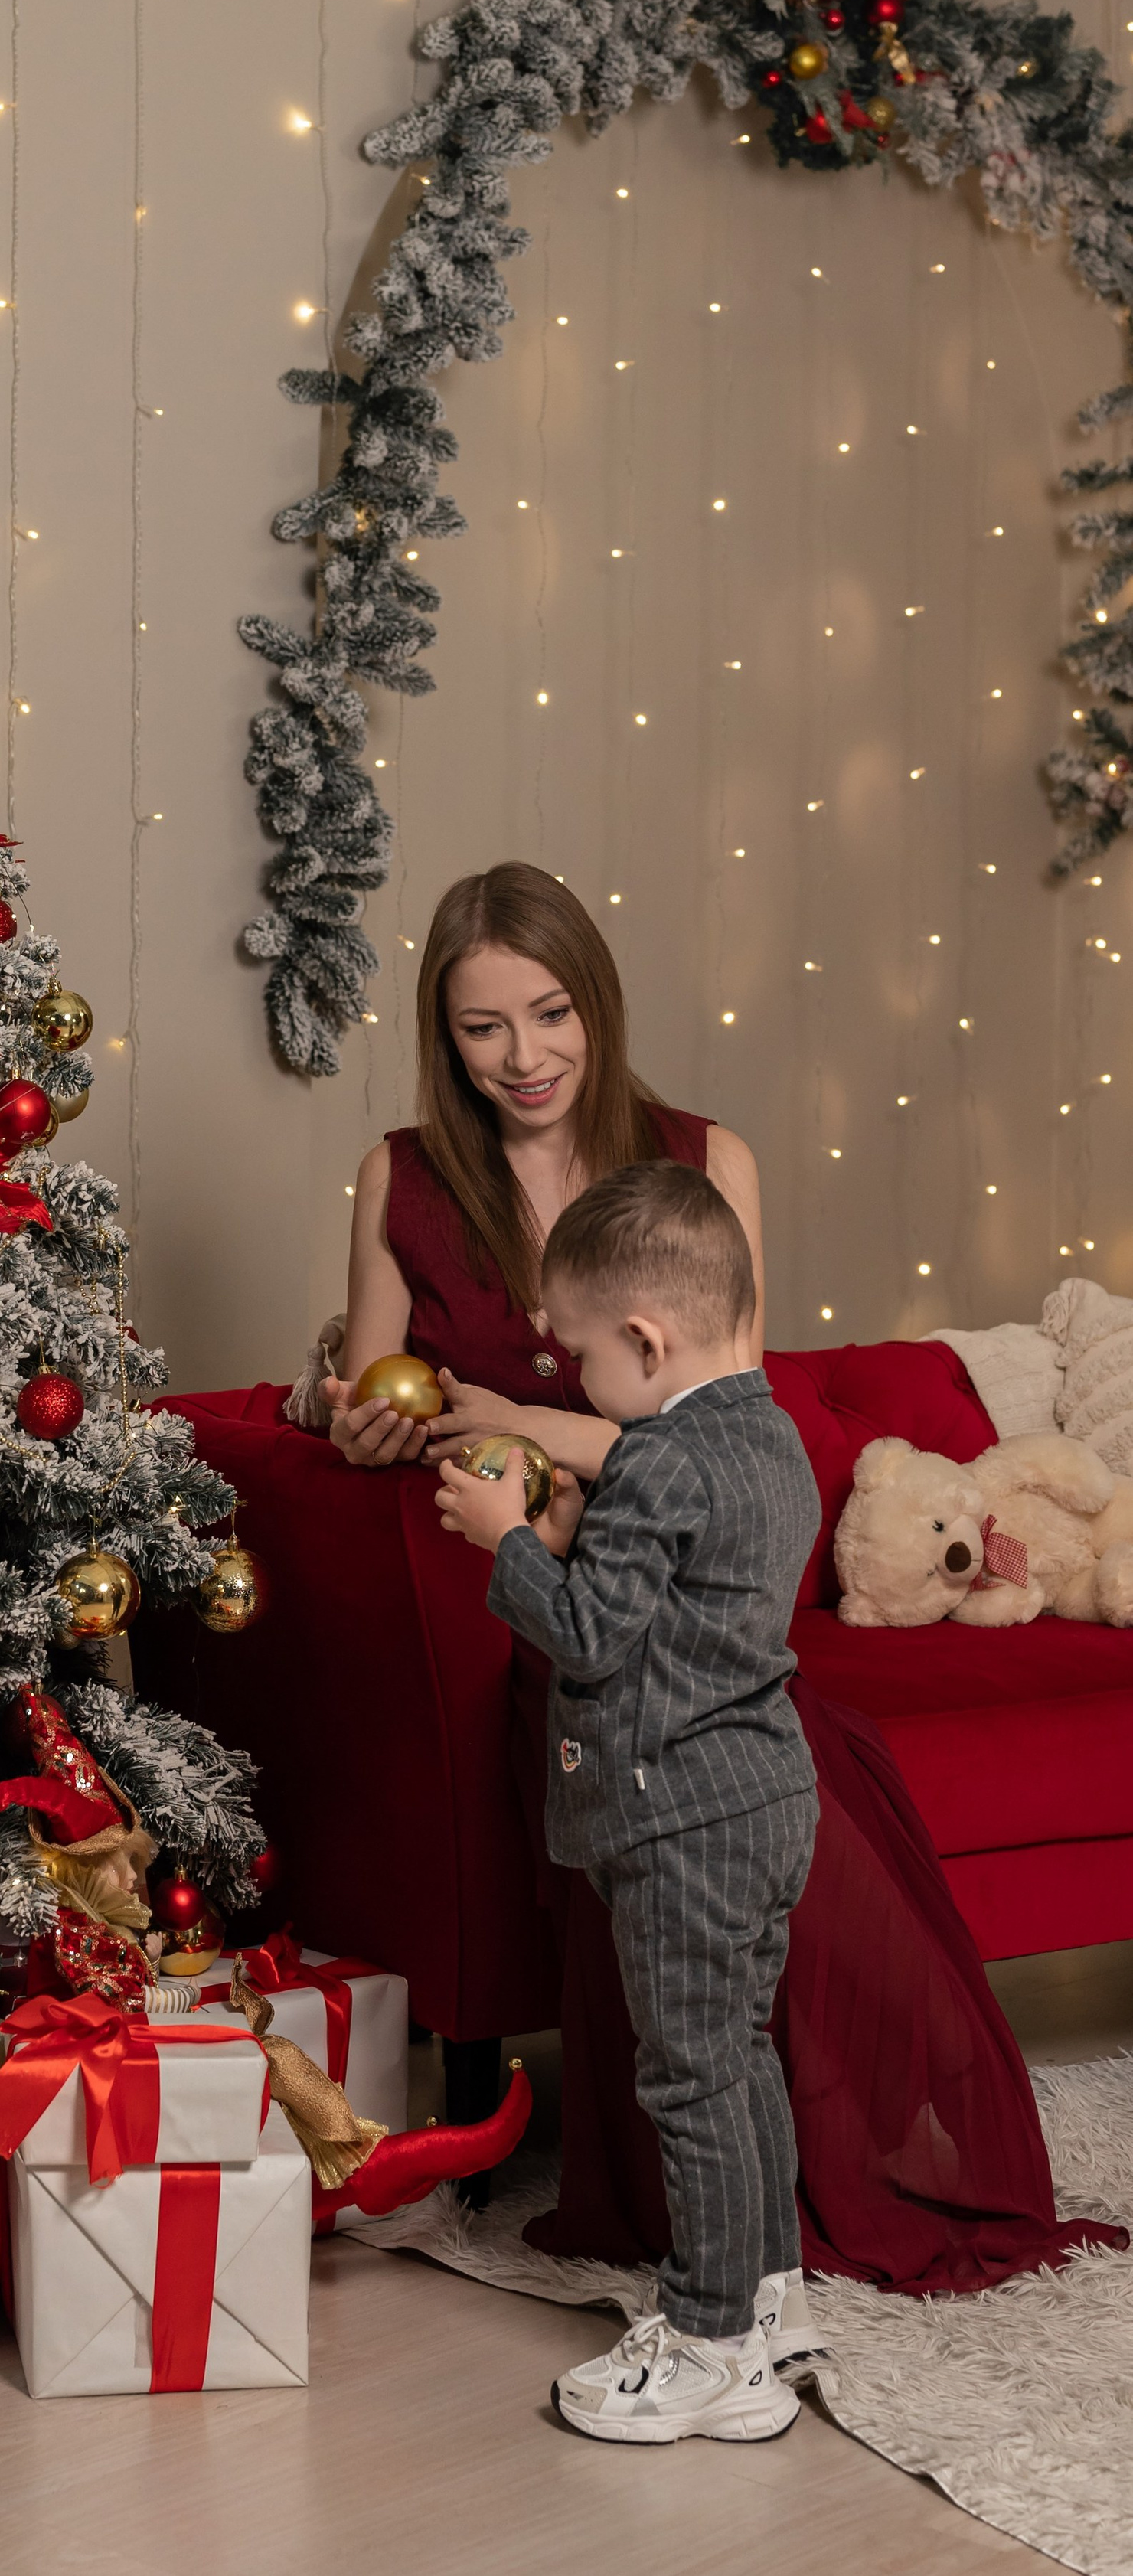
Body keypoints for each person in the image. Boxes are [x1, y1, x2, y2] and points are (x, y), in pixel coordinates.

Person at [318, 860, 1123, 2312]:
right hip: (526, 1594)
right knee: (662, 1745)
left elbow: (728, 1428)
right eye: (484, 1028)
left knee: (795, 1770)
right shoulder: (405, 1176)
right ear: (444, 1037)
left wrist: (537, 1424)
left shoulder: (704, 1160)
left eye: (550, 1014)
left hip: (680, 1578)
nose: (524, 1056)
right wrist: (363, 1423)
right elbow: (375, 1388)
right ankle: (715, 2191)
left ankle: (828, 2169)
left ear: (596, 1002)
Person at [437, 1161, 818, 2444]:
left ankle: (711, 2345)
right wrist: (569, 1543)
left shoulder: (658, 1457)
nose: (569, 1380)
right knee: (738, 2055)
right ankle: (768, 2299)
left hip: (683, 1814)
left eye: (580, 1356)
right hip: (767, 1793)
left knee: (688, 2080)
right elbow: (683, 1607)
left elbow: (595, 1639)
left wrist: (506, 1537)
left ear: (647, 1342)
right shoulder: (769, 1434)